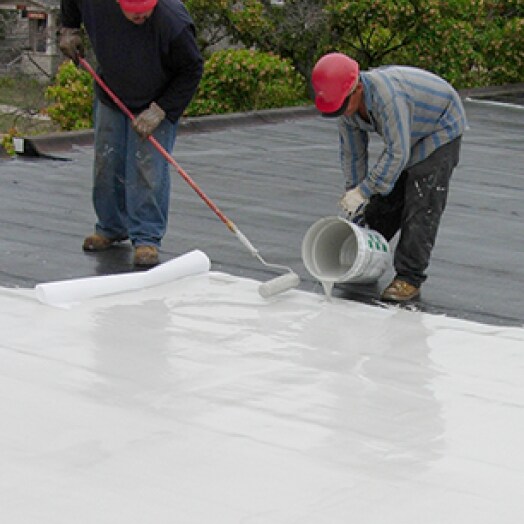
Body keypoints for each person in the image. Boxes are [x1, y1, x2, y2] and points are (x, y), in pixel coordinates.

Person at [311, 53, 466, 302]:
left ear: (357, 88)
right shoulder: (347, 108)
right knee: (383, 201)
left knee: (421, 201)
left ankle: (409, 278)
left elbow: (397, 152)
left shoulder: (387, 98)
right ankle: (366, 258)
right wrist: (356, 194)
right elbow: (353, 155)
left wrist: (365, 190)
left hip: (440, 126)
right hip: (410, 131)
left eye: (343, 106)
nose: (342, 113)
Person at [59, 0, 203, 267]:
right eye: (135, 12)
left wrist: (161, 110)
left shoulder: (173, 21)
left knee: (148, 168)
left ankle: (147, 237)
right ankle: (110, 227)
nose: (142, 16)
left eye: (146, 10)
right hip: (112, 90)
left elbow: (192, 70)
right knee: (107, 160)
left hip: (157, 98)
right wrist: (69, 28)